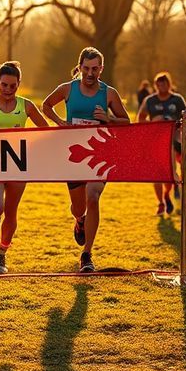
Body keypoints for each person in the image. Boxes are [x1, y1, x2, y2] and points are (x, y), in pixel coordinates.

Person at [42, 47, 130, 272]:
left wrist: (108, 118)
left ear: (101, 68)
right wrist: (60, 122)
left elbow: (126, 121)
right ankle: (80, 220)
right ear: (79, 67)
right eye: (86, 68)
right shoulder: (68, 89)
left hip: (100, 154)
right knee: (78, 206)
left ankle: (87, 254)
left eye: (95, 69)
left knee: (93, 197)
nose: (90, 73)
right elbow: (46, 105)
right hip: (73, 154)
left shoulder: (108, 93)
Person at [0, 61, 48, 273]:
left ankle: (1, 255)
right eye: (4, 85)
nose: (8, 90)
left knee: (11, 211)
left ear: (19, 84)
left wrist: (32, 148)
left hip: (18, 165)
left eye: (13, 86)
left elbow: (44, 130)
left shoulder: (26, 105)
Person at [137, 72, 186, 215]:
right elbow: (140, 119)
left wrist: (175, 124)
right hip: (155, 141)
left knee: (169, 172)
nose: (161, 86)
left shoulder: (177, 100)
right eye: (159, 84)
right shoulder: (150, 100)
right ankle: (160, 202)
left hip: (172, 141)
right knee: (156, 174)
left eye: (164, 84)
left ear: (169, 84)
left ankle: (167, 194)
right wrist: (154, 122)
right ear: (155, 85)